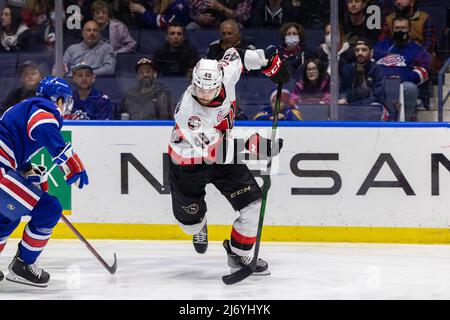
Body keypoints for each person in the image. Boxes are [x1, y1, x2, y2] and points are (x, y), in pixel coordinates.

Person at [168, 47, 290, 274]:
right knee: (189, 223)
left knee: (253, 206)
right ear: (193, 82)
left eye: (209, 91)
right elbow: (216, 151)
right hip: (189, 162)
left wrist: (268, 64)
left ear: (218, 83)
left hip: (224, 154)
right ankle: (198, 225)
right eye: (199, 90)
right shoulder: (189, 114)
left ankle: (238, 255)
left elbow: (238, 53)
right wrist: (259, 146)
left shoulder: (225, 72)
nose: (203, 96)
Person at [0, 76, 88, 287]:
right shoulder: (44, 107)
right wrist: (70, 161)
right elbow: (42, 126)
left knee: (7, 216)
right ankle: (23, 265)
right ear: (57, 99)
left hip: (4, 167)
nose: (64, 108)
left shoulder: (24, 107)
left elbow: (11, 144)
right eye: (65, 101)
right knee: (49, 208)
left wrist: (27, 169)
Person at [374, 15, 431, 121]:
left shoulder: (417, 50)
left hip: (402, 84)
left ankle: (406, 122)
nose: (400, 31)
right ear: (392, 30)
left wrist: (399, 78)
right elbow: (371, 62)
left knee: (409, 88)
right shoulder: (382, 45)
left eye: (403, 28)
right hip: (381, 82)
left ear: (409, 31)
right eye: (397, 28)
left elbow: (423, 72)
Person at [339, 37, 385, 106]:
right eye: (357, 50)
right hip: (349, 107)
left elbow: (377, 97)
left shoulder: (377, 70)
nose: (360, 53)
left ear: (371, 52)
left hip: (369, 107)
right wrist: (343, 98)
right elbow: (343, 90)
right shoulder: (347, 69)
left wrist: (355, 105)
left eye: (364, 50)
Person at [187, 0, 251, 30]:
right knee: (191, 27)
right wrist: (201, 18)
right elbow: (194, 12)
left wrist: (221, 8)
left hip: (229, 26)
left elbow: (242, 17)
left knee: (239, 26)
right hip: (210, 25)